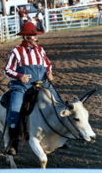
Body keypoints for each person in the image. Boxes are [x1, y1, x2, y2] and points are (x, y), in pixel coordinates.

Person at [4, 22, 63, 155]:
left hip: (41, 84)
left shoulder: (40, 50)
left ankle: (59, 137)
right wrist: (19, 76)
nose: (36, 38)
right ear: (26, 37)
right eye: (33, 36)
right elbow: (7, 70)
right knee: (15, 109)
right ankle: (13, 142)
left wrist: (49, 72)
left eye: (36, 35)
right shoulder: (16, 51)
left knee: (58, 103)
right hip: (22, 87)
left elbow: (47, 64)